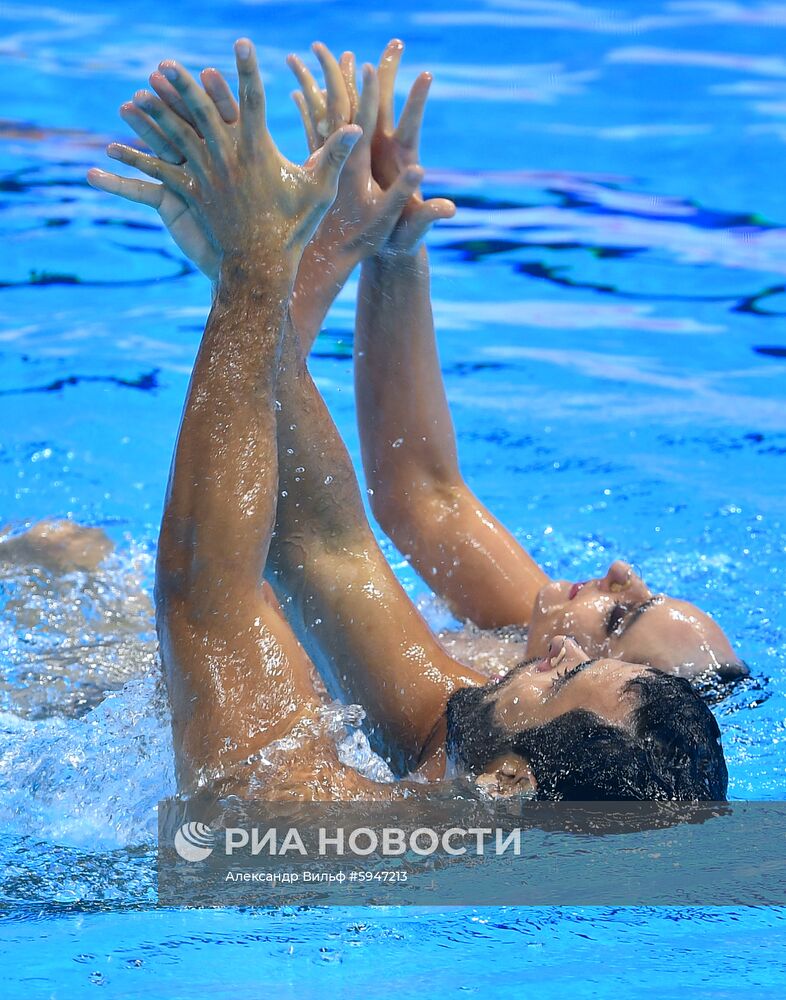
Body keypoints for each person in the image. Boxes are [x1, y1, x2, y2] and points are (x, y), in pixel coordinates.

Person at [80, 38, 729, 802]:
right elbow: (324, 544)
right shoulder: (467, 728)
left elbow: (204, 596)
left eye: (566, 679)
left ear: (511, 781)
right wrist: (269, 261)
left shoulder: (297, 811)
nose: (551, 652)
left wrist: (256, 274)